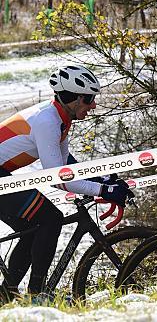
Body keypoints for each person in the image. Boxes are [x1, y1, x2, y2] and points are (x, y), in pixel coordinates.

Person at [0, 65, 133, 300]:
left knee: (31, 230)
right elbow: (57, 178)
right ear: (73, 98)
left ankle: (6, 297)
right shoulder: (47, 121)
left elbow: (66, 164)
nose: (93, 105)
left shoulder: (59, 117)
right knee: (50, 218)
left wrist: (101, 178)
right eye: (89, 99)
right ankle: (38, 295)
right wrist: (103, 190)